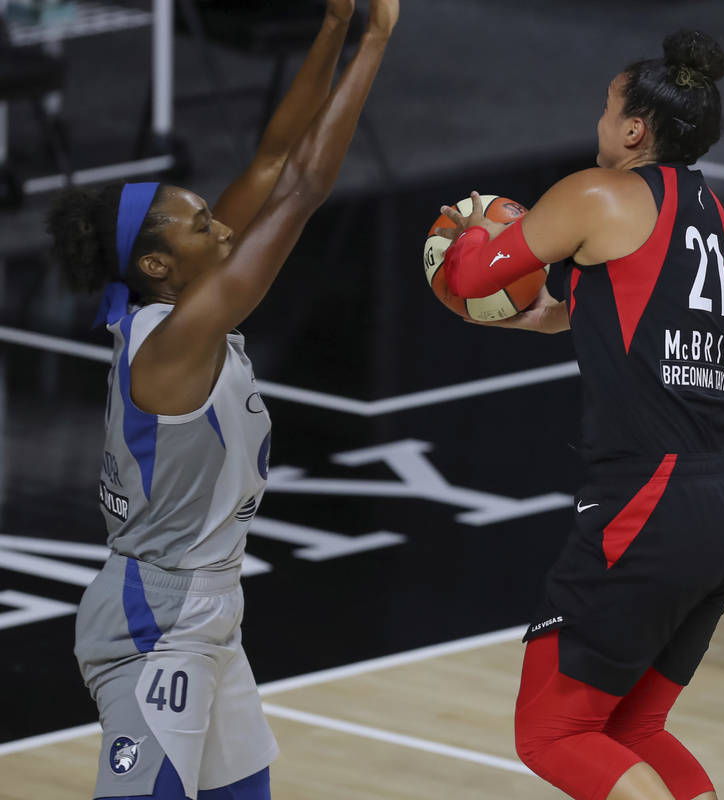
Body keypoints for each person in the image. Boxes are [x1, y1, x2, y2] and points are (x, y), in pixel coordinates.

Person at [44, 1, 398, 797]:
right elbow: (303, 188)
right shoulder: (175, 341)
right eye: (202, 225)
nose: (222, 227)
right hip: (154, 621)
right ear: (160, 266)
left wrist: (335, 23)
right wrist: (377, 40)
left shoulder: (177, 304)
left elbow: (274, 159)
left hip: (209, 611)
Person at [435, 30, 724, 800]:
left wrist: (460, 230)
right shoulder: (712, 215)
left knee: (551, 733)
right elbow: (579, 310)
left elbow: (472, 273)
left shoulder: (596, 192)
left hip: (650, 502)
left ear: (636, 130)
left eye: (607, 109)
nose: (600, 124)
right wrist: (515, 310)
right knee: (634, 731)